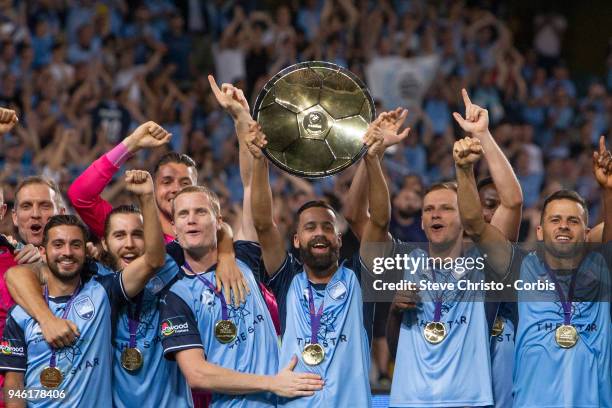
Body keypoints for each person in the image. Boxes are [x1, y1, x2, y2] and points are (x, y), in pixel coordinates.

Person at [454, 134, 612, 407]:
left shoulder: (601, 270)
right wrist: (464, 169)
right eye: (555, 220)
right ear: (539, 231)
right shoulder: (520, 269)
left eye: (573, 221)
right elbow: (475, 224)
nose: (563, 225)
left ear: (587, 234)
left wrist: (608, 190)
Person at [246, 118, 384, 406]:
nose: (319, 233)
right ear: (296, 239)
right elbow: (263, 224)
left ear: (338, 238)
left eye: (327, 227)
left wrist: (372, 159)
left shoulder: (360, 277)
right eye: (310, 227)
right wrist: (259, 161)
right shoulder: (286, 279)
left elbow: (380, 221)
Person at [0, 170, 168, 407]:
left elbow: (153, 260)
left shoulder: (104, 292)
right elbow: (14, 387)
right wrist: (47, 320)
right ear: (43, 252)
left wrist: (148, 199)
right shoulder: (20, 315)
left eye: (75, 245)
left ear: (86, 250)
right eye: (58, 244)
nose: (67, 252)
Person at [158, 185, 323, 407]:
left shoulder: (245, 257)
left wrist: (255, 153)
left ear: (218, 221)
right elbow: (197, 374)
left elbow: (248, 185)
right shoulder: (176, 296)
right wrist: (271, 383)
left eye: (200, 212)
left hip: (287, 399)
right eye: (183, 214)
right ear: (174, 228)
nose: (191, 219)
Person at [453, 89, 524, 408]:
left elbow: (513, 201)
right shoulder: (431, 261)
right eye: (480, 205)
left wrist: (483, 135)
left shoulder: (501, 257)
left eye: (493, 205)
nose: (486, 212)